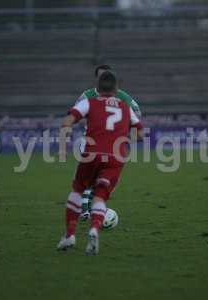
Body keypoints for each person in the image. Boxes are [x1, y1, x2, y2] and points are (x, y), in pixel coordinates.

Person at [57, 71, 143, 255]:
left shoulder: (89, 101)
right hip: (116, 156)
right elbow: (140, 133)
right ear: (116, 88)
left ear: (98, 87)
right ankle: (94, 229)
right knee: (100, 195)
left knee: (78, 190)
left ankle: (69, 235)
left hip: (92, 153)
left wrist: (65, 140)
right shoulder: (125, 106)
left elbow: (68, 120)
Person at [77, 64, 142, 220]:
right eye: (100, 76)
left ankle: (90, 209)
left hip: (113, 143)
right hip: (91, 140)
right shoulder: (87, 95)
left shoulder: (122, 96)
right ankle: (86, 211)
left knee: (104, 178)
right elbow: (78, 117)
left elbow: (137, 112)